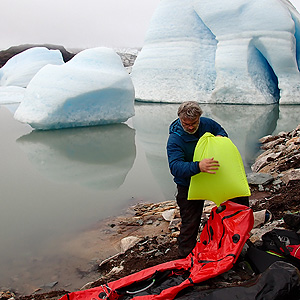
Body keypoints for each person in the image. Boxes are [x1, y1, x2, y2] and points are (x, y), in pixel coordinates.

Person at [166, 101, 248, 258]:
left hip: (214, 178)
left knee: (239, 204)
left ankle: (236, 245)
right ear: (179, 119)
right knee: (190, 223)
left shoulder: (207, 124)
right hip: (189, 185)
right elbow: (175, 167)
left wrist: (220, 138)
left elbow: (221, 131)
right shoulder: (175, 139)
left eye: (194, 123)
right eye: (186, 123)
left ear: (199, 118)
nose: (190, 127)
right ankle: (185, 257)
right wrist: (198, 166)